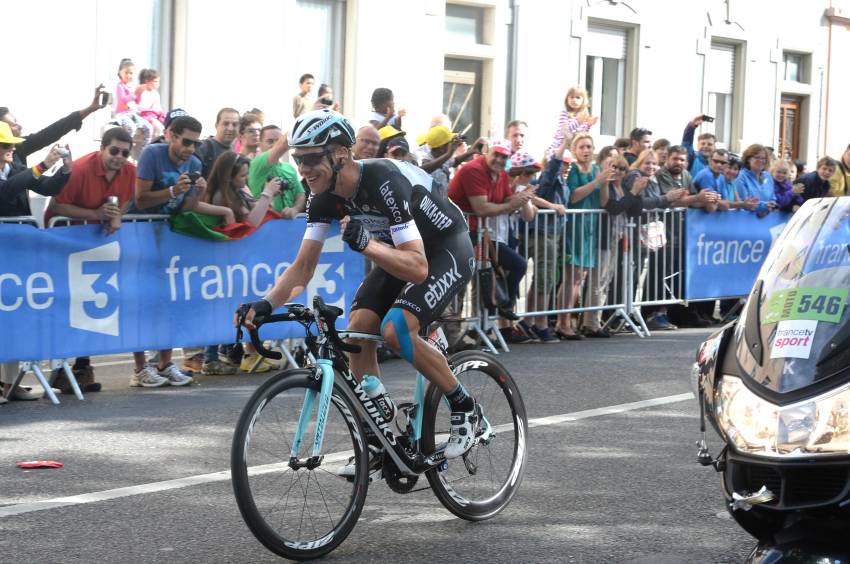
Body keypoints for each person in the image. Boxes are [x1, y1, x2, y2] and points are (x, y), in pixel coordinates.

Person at [239, 109, 482, 461]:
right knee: (357, 332)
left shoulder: (384, 180)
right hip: (399, 252)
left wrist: (368, 244)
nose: (303, 169)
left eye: (310, 159)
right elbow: (303, 267)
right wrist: (264, 304)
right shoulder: (322, 196)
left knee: (396, 329)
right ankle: (376, 439)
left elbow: (417, 268)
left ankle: (464, 405)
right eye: (298, 159)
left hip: (445, 247)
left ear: (340, 154)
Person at [43, 127, 137, 394]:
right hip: (63, 241)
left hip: (95, 242)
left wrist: (116, 215)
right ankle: (60, 368)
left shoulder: (129, 171)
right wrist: (95, 212)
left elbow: (128, 201)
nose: (119, 157)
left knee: (90, 303)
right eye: (114, 151)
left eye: (125, 153)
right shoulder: (82, 168)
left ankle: (82, 365)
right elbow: (57, 206)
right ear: (102, 149)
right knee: (65, 303)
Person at [0, 123, 72, 401]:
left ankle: (9, 384)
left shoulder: (15, 167)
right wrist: (43, 163)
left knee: (12, 315)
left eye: (12, 145)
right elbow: (6, 192)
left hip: (14, 254)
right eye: (6, 146)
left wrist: (65, 168)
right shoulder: (18, 171)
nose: (12, 149)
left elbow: (45, 186)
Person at [516, 132, 570, 344]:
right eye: (564, 163)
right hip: (542, 233)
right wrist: (566, 140)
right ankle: (540, 324)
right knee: (544, 279)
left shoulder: (563, 183)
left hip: (553, 234)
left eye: (568, 164)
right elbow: (550, 172)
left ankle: (528, 322)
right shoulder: (549, 178)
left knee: (545, 278)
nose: (566, 167)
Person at [623, 149, 687, 331]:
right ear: (639, 163)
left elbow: (658, 202)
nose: (650, 167)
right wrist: (666, 197)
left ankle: (637, 314)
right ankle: (621, 313)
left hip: (648, 234)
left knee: (639, 276)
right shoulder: (635, 176)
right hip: (633, 232)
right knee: (629, 275)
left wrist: (674, 197)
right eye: (647, 163)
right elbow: (641, 203)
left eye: (653, 163)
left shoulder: (652, 179)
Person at [556, 132, 611, 340]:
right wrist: (597, 182)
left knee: (580, 277)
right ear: (575, 150)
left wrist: (604, 182)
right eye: (582, 147)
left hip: (591, 227)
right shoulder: (573, 169)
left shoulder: (597, 169)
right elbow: (574, 196)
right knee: (572, 276)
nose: (586, 150)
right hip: (575, 226)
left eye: (589, 147)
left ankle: (568, 320)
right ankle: (562, 322)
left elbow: (603, 202)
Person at [1, 84, 108, 168]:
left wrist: (89, 109)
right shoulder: (12, 159)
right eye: (14, 125)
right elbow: (22, 181)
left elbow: (52, 132)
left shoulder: (20, 147)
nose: (20, 127)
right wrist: (45, 165)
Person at [247, 126, 305, 218]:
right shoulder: (256, 164)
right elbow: (283, 144)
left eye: (277, 140)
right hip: (264, 225)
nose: (274, 145)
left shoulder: (289, 168)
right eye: (270, 141)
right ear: (260, 145)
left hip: (288, 225)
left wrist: (295, 209)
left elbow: (300, 194)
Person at [113, 58, 152, 158]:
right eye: (126, 72)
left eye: (131, 73)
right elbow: (123, 100)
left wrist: (139, 93)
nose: (129, 75)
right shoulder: (120, 86)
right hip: (122, 114)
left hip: (133, 114)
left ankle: (144, 154)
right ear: (120, 73)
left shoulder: (133, 86)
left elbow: (136, 102)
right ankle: (125, 151)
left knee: (148, 127)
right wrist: (135, 93)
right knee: (130, 127)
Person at [546, 85, 598, 157]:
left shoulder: (584, 114)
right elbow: (564, 130)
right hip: (561, 144)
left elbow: (583, 134)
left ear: (583, 100)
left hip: (575, 145)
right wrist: (577, 122)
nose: (574, 100)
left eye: (578, 97)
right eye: (571, 97)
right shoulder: (565, 112)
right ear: (567, 99)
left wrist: (589, 125)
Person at [196, 108, 240, 178]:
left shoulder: (235, 152)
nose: (230, 128)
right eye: (226, 123)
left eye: (234, 124)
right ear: (216, 125)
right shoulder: (204, 149)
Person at [735, 144, 777, 218]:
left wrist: (770, 207)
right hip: (745, 221)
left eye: (763, 158)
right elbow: (745, 201)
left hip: (766, 222)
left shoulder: (768, 176)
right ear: (748, 159)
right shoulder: (741, 176)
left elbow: (773, 198)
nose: (760, 160)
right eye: (757, 157)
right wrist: (764, 207)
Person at [135, 68, 166, 139]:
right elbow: (138, 107)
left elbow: (158, 108)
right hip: (144, 116)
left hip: (154, 116)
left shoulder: (155, 94)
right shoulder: (141, 91)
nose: (158, 84)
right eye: (155, 81)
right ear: (147, 81)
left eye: (158, 81)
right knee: (160, 128)